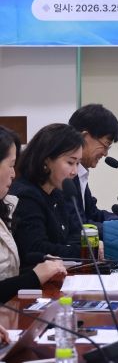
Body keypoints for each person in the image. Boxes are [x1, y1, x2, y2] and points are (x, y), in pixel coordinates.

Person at [0, 126, 66, 302]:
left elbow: (9, 275)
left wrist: (44, 269)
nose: (13, 174)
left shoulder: (6, 206)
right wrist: (35, 276)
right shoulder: (26, 195)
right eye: (11, 165)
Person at [10, 123, 84, 267]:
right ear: (46, 160)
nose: (75, 172)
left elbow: (75, 234)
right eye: (70, 162)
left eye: (78, 163)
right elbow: (37, 248)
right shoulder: (26, 196)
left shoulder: (56, 193)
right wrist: (83, 251)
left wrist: (78, 248)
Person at [68, 103, 118, 232]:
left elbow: (93, 214)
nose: (105, 154)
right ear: (84, 137)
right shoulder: (65, 176)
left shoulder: (81, 172)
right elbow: (78, 225)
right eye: (105, 145)